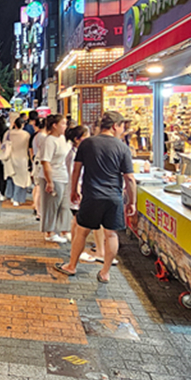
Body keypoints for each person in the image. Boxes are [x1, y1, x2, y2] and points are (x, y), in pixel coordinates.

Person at [58, 112, 136, 283]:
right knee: (111, 235)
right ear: (115, 126)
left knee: (82, 231)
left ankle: (71, 266)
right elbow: (129, 178)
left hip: (91, 195)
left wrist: (73, 191)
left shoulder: (87, 144)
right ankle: (105, 272)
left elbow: (76, 170)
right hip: (114, 197)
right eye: (122, 126)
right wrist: (132, 202)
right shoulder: (123, 147)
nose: (122, 130)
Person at [40, 114, 72, 244]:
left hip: (63, 176)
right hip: (53, 177)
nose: (65, 126)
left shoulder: (63, 138)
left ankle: (64, 230)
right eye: (63, 124)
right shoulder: (49, 141)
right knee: (51, 206)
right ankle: (50, 232)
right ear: (55, 125)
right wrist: (49, 181)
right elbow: (45, 162)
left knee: (64, 205)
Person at [3, 117, 32, 206]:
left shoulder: (8, 133)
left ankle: (10, 195)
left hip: (10, 158)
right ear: (23, 125)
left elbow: (4, 144)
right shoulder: (26, 134)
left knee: (11, 177)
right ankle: (17, 198)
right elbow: (28, 147)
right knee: (21, 180)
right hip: (22, 158)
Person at [31, 117, 48, 223]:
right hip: (40, 162)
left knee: (37, 187)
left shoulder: (37, 135)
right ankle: (38, 210)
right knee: (39, 188)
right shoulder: (42, 136)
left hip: (37, 161)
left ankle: (37, 208)